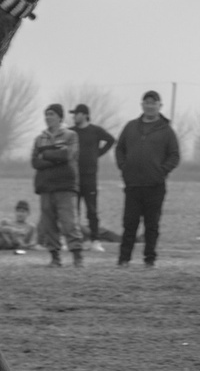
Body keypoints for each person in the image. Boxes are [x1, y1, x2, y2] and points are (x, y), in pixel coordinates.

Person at [113, 90, 181, 267]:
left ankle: (149, 259)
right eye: (147, 103)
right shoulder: (130, 127)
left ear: (160, 106)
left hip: (155, 185)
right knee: (130, 223)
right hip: (133, 184)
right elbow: (119, 149)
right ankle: (124, 259)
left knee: (152, 225)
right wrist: (124, 167)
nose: (150, 106)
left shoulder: (166, 131)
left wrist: (162, 171)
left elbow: (174, 155)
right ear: (142, 105)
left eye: (153, 103)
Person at [30, 104, 84, 266]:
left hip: (65, 186)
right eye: (46, 114)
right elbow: (35, 162)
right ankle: (55, 257)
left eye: (51, 114)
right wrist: (56, 159)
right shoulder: (39, 139)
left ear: (60, 117)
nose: (48, 117)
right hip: (46, 186)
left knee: (69, 222)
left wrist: (45, 154)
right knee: (49, 223)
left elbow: (68, 155)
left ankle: (77, 256)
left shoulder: (71, 136)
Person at [70, 103, 116, 243]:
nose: (74, 116)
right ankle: (73, 239)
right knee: (73, 211)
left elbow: (111, 140)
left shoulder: (95, 131)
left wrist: (97, 153)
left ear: (85, 115)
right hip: (73, 177)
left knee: (92, 210)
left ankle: (95, 240)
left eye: (76, 114)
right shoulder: (71, 132)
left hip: (90, 177)